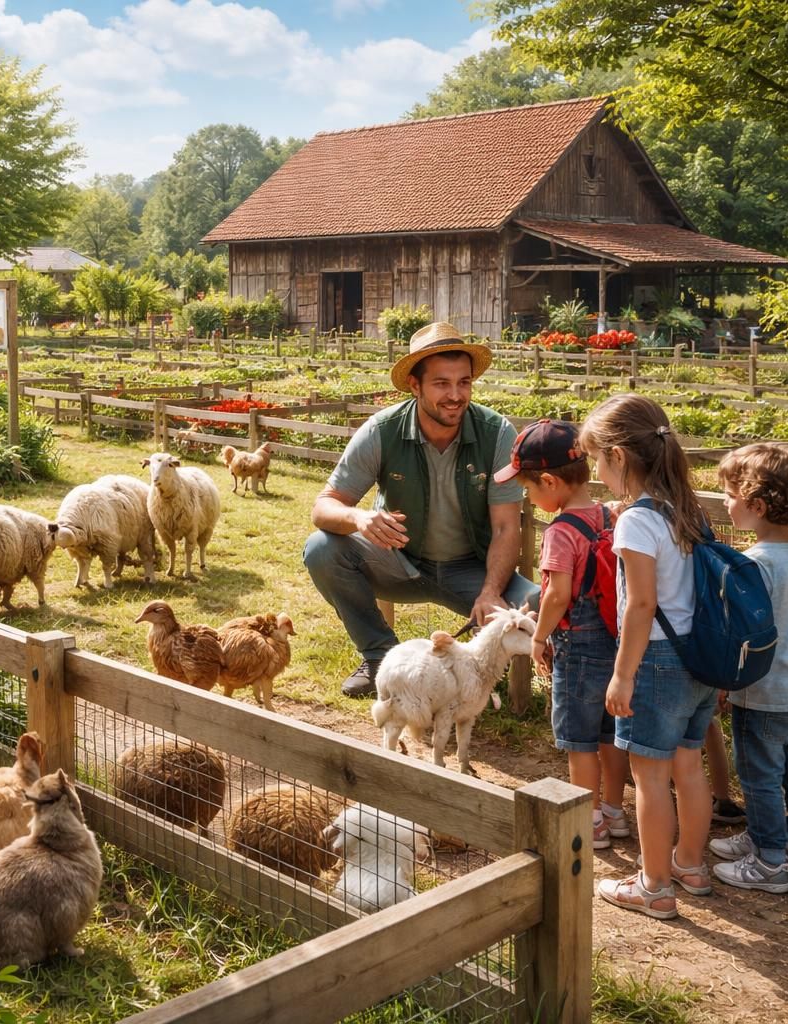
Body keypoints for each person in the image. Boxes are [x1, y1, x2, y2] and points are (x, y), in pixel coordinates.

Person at [303, 322, 540, 698]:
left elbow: (505, 529)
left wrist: (492, 591)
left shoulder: (497, 433)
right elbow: (323, 507)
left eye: (464, 382)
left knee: (541, 603)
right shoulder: (382, 430)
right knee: (321, 549)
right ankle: (380, 656)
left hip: (471, 569)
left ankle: (563, 692)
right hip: (399, 561)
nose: (455, 395)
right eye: (442, 383)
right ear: (415, 385)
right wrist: (359, 518)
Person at [584, 394, 716, 919]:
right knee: (689, 766)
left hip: (656, 663)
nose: (596, 469)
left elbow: (640, 603)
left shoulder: (639, 521)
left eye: (597, 457)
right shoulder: (686, 507)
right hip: (697, 659)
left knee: (649, 778)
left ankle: (654, 886)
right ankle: (690, 864)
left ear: (618, 456)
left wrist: (622, 675)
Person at [500, 420, 630, 848]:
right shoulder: (610, 515)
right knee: (611, 733)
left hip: (577, 644)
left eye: (529, 488)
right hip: (615, 637)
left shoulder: (560, 531)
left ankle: (588, 819)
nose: (528, 497)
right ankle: (614, 810)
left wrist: (539, 638)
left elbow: (556, 594)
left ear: (551, 482)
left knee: (579, 738)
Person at [710, 443, 788, 893]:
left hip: (765, 693)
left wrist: (725, 682)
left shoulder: (755, 564)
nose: (724, 501)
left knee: (759, 777)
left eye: (729, 494)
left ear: (756, 506)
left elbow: (744, 633)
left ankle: (770, 862)